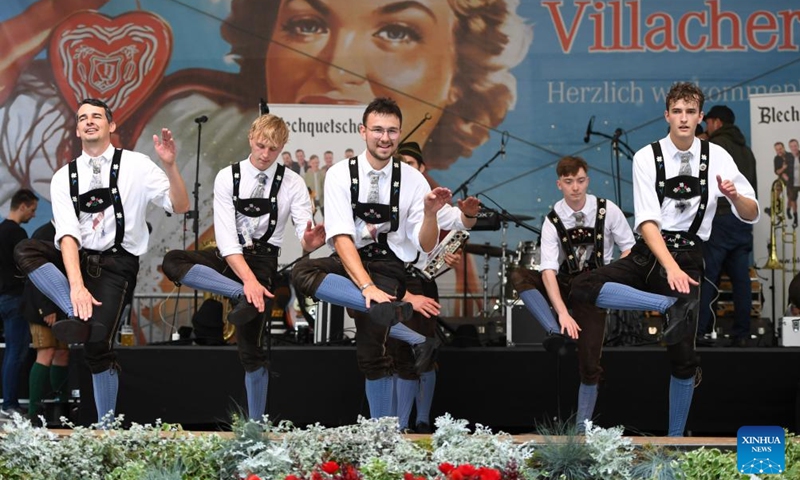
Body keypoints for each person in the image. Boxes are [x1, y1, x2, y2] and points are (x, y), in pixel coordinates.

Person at [570, 82, 759, 436]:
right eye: (678, 111)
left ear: (701, 117)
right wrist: (667, 273)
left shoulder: (718, 156)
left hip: (689, 255)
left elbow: (751, 212)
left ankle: (675, 440)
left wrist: (734, 197)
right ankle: (667, 304)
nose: (684, 118)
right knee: (581, 286)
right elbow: (646, 221)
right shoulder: (646, 156)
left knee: (683, 357)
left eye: (691, 112)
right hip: (650, 253)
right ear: (667, 115)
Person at [13, 98, 190, 425]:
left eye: (97, 116)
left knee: (96, 348)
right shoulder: (64, 177)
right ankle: (72, 311)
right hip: (77, 259)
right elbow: (67, 234)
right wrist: (76, 288)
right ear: (78, 129)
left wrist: (170, 165)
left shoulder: (137, 165)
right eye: (83, 118)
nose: (89, 121)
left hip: (116, 266)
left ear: (111, 125)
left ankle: (105, 430)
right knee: (26, 250)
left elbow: (179, 205)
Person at [292, 97, 452, 420]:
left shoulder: (413, 179)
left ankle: (382, 439)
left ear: (400, 133)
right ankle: (393, 314)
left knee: (371, 354)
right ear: (363, 131)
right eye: (378, 129)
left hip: (389, 268)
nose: (385, 137)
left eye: (392, 131)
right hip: (354, 263)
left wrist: (432, 214)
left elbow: (424, 244)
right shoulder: (339, 175)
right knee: (302, 270)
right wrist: (366, 287)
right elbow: (340, 238)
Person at [161, 114, 325, 420]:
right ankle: (240, 294)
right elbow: (227, 242)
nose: (265, 154)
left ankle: (255, 424)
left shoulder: (293, 183)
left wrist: (310, 241)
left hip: (263, 262)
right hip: (229, 258)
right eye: (261, 145)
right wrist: (246, 286)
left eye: (273, 149)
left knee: (251, 349)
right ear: (251, 137)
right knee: (173, 259)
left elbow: (306, 234)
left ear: (283, 147)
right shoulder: (228, 176)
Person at [509, 156, 634, 419]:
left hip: (595, 287)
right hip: (568, 284)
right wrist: (562, 312)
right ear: (559, 184)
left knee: (590, 364)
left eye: (579, 181)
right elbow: (548, 270)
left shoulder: (607, 210)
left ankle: (582, 428)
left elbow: (629, 248)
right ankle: (553, 330)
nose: (575, 187)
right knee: (520, 275)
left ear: (587, 180)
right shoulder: (553, 219)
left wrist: (612, 277)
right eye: (569, 182)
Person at [388, 141, 480, 433]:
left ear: (422, 169)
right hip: (389, 282)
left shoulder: (433, 201)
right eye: (400, 163)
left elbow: (460, 223)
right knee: (395, 351)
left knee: (425, 351)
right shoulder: (385, 198)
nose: (405, 169)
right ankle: (398, 423)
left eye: (412, 164)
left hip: (421, 282)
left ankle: (423, 419)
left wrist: (469, 214)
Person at [697, 105, 758, 347]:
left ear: (717, 123)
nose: (708, 128)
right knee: (741, 280)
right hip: (743, 220)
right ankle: (742, 333)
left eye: (709, 123)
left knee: (709, 276)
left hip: (720, 218)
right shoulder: (747, 150)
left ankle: (700, 331)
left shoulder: (716, 148)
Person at [22, 219, 70, 421]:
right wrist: (46, 308)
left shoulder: (70, 233)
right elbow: (35, 274)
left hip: (63, 305)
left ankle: (59, 407)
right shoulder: (43, 233)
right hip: (41, 307)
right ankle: (34, 412)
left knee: (63, 354)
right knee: (46, 352)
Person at [0, 189, 38, 420]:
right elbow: (28, 267)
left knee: (11, 353)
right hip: (15, 298)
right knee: (16, 352)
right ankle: (10, 404)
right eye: (32, 210)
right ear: (22, 206)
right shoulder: (18, 234)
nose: (33, 215)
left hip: (2, 298)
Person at [774, 141, 796, 224]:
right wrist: (783, 170)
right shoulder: (776, 158)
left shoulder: (790, 156)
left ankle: (788, 210)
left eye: (780, 149)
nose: (779, 151)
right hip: (781, 179)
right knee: (776, 190)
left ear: (783, 148)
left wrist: (788, 176)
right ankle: (776, 209)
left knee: (791, 195)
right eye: (777, 150)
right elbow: (777, 171)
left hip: (791, 178)